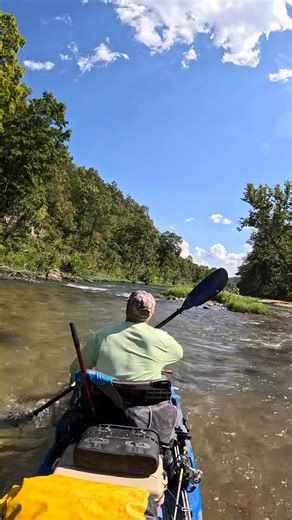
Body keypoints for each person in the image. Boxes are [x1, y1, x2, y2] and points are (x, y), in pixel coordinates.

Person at [70, 290, 183, 383]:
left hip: (104, 400)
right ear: (152, 314)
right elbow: (178, 354)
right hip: (145, 403)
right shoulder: (163, 338)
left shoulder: (101, 336)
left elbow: (76, 368)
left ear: (127, 309)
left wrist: (72, 384)